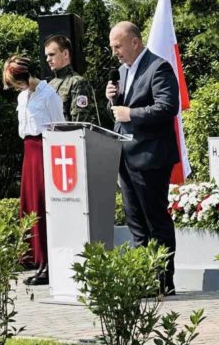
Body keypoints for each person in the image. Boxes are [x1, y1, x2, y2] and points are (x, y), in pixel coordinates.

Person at [106, 21, 180, 293]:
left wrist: (131, 114)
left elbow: (168, 107)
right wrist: (111, 99)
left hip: (150, 157)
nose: (115, 52)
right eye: (112, 47)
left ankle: (163, 281)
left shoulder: (158, 68)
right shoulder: (123, 72)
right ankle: (145, 277)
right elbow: (120, 111)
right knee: (135, 221)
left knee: (155, 220)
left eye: (118, 46)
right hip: (125, 156)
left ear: (134, 42)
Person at [3, 54, 64, 286]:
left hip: (45, 150)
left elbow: (60, 125)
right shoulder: (22, 97)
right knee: (30, 204)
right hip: (29, 151)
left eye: (17, 82)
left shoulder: (49, 95)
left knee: (42, 203)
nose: (16, 87)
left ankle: (49, 263)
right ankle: (36, 260)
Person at [44, 34, 96, 123]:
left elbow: (80, 122)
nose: (48, 59)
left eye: (51, 54)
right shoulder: (50, 85)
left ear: (65, 54)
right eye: (46, 56)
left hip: (69, 136)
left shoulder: (78, 82)